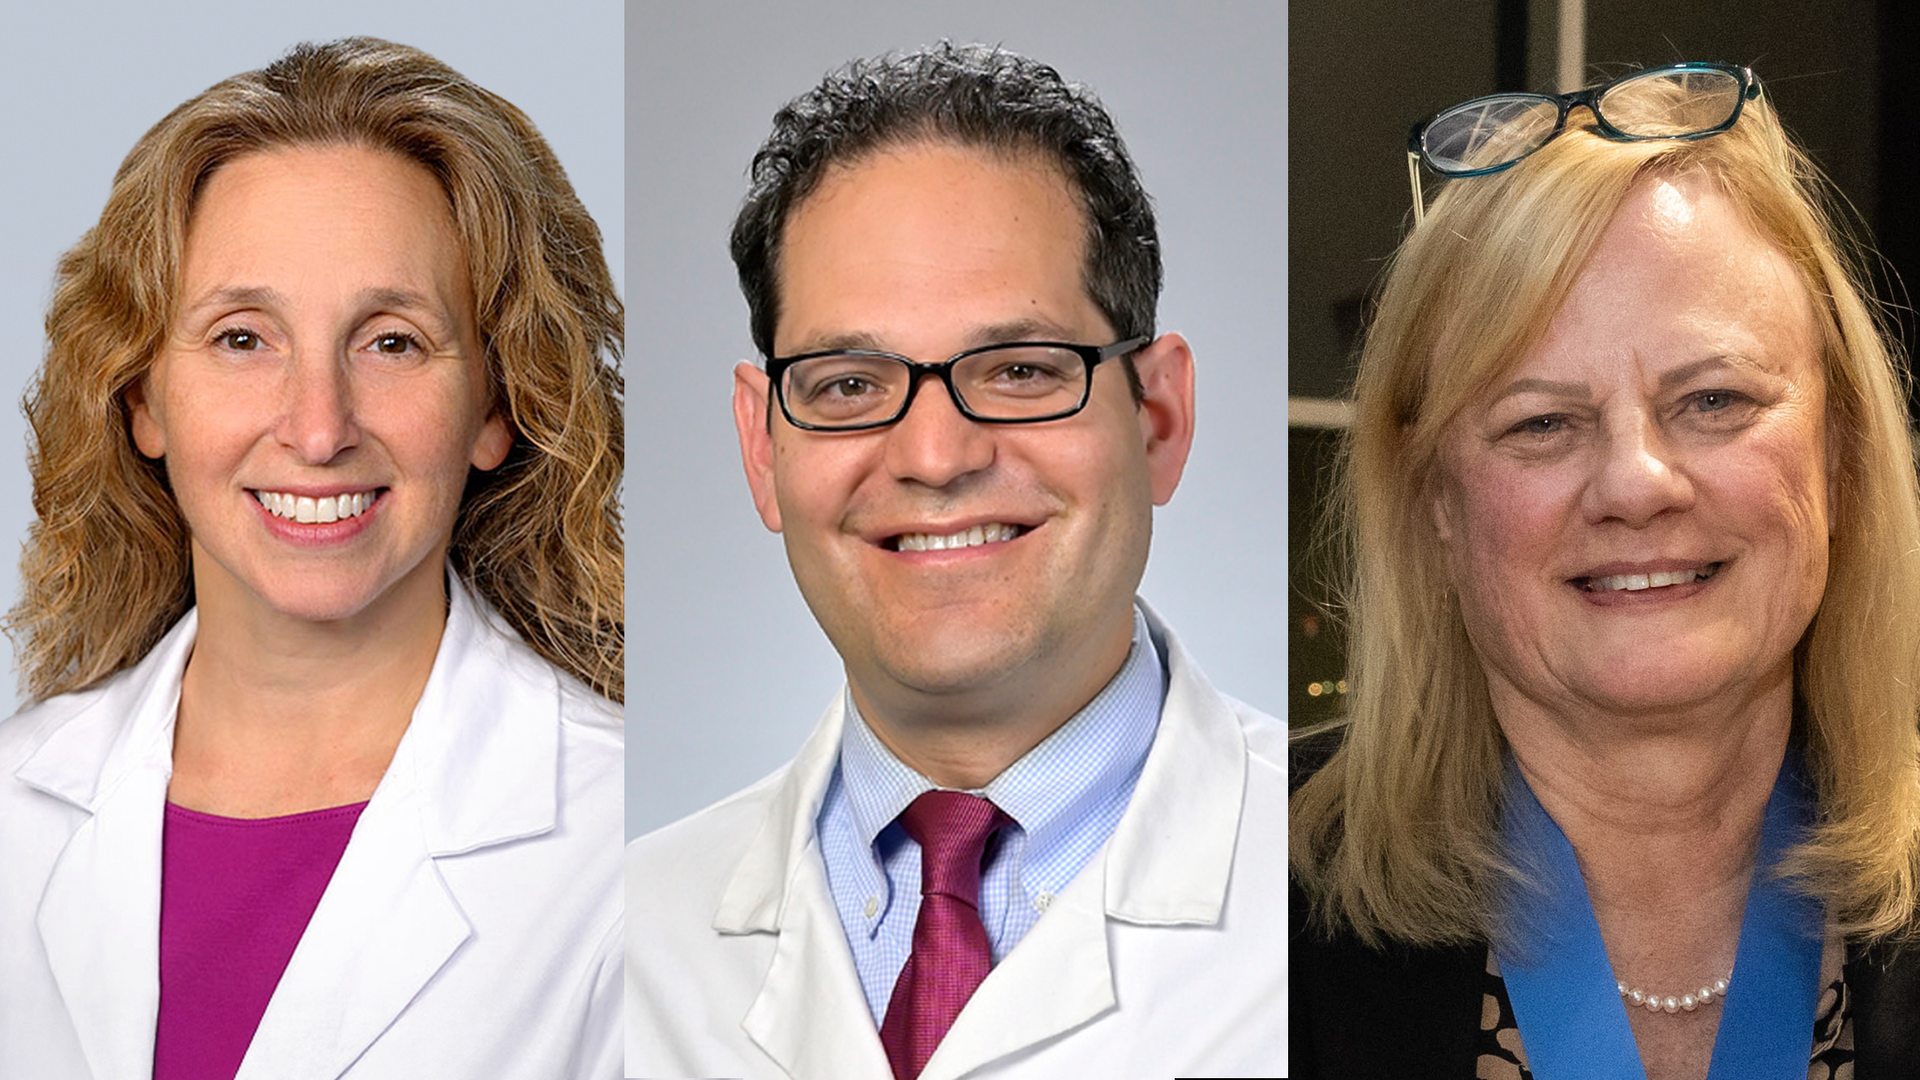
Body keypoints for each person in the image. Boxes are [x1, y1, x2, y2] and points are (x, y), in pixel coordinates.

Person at [625, 42, 1284, 1080]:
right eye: (848, 384)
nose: (935, 457)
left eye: (1020, 369)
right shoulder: (625, 938)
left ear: (1158, 418)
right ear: (763, 447)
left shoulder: (1341, 910)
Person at [0, 38, 624, 1079]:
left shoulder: (618, 852)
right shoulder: (13, 806)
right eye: (244, 338)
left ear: (498, 405)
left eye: (392, 341)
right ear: (143, 397)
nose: (319, 426)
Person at [1289, 62, 1920, 1077]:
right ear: (1437, 500)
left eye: (1714, 400)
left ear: (1840, 450)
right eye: (1542, 422)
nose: (1636, 482)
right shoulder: (1219, 904)